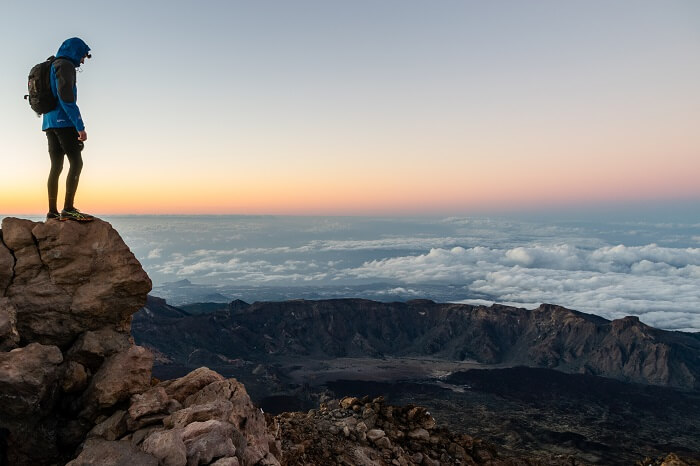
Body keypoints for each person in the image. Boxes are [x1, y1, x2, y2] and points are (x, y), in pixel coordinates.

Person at [43, 37, 94, 222]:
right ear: (75, 51)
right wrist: (80, 126)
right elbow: (66, 99)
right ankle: (68, 209)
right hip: (63, 121)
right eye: (82, 56)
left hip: (48, 123)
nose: (82, 60)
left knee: (56, 166)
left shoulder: (51, 65)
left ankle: (52, 212)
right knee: (76, 163)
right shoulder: (65, 65)